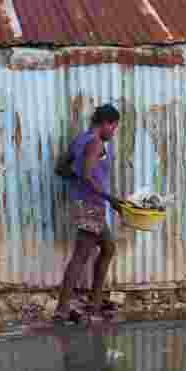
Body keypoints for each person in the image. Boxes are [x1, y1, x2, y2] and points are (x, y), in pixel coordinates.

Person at [55, 104, 122, 322]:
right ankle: (62, 309)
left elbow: (61, 168)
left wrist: (78, 180)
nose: (113, 132)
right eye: (114, 127)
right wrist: (111, 199)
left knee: (108, 247)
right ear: (105, 123)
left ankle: (94, 302)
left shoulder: (80, 140)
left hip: (85, 203)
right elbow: (86, 174)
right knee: (81, 256)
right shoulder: (95, 143)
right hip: (91, 205)